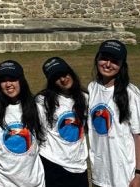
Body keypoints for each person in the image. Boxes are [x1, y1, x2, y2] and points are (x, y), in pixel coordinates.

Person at [87, 40, 140, 187]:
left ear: (122, 65)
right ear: (97, 58)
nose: (108, 65)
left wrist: (139, 174)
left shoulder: (131, 93)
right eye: (104, 58)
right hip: (101, 174)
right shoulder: (92, 88)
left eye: (115, 61)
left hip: (125, 174)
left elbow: (139, 135)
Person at [0, 60, 45, 187]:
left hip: (34, 183)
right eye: (3, 80)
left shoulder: (37, 108)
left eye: (13, 79)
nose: (8, 84)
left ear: (21, 81)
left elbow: (44, 141)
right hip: (5, 183)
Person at [35, 57, 88, 187]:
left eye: (64, 74)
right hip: (53, 164)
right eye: (57, 78)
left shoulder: (85, 97)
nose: (63, 79)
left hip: (78, 165)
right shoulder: (43, 101)